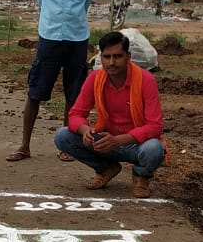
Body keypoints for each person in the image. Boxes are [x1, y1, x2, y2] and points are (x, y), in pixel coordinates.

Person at [6, 0, 99, 162]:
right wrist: (52, 17)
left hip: (77, 37)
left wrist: (71, 17)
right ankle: (24, 145)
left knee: (73, 95)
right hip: (49, 35)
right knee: (36, 91)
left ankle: (66, 147)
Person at [53, 31, 166, 198]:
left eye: (117, 56)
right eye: (106, 57)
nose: (111, 62)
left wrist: (118, 141)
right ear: (101, 57)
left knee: (155, 149)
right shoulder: (95, 78)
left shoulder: (146, 80)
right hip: (104, 141)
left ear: (128, 56)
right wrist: (85, 130)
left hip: (135, 144)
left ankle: (141, 176)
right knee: (62, 136)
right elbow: (75, 114)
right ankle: (106, 168)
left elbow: (155, 126)